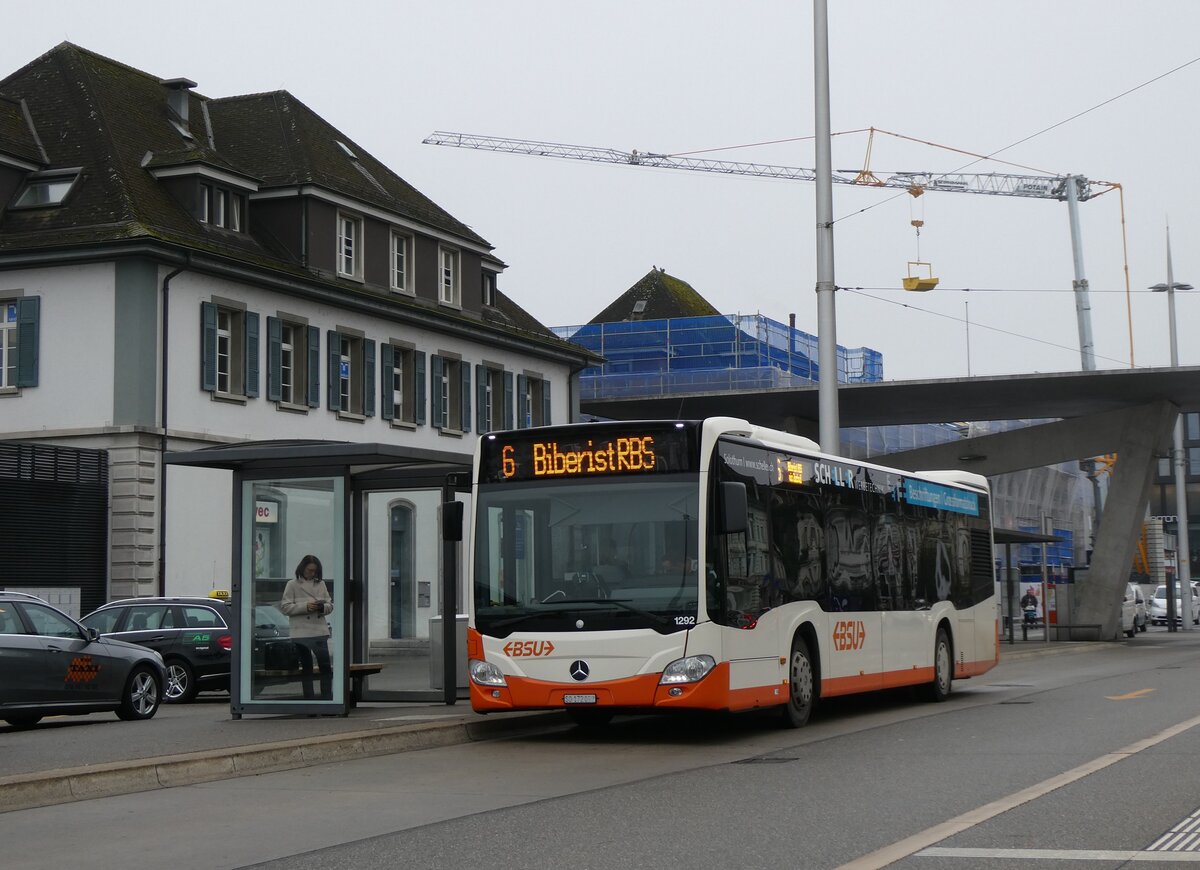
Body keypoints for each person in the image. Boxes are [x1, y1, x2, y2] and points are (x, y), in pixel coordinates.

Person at [280, 554, 333, 700]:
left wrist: (322, 607)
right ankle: (309, 700)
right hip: (301, 633)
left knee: (325, 667)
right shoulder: (292, 584)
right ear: (302, 569)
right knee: (307, 668)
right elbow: (285, 607)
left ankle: (328, 698)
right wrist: (306, 607)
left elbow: (330, 605)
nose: (312, 573)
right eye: (310, 570)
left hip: (319, 630)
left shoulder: (320, 584)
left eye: (315, 571)